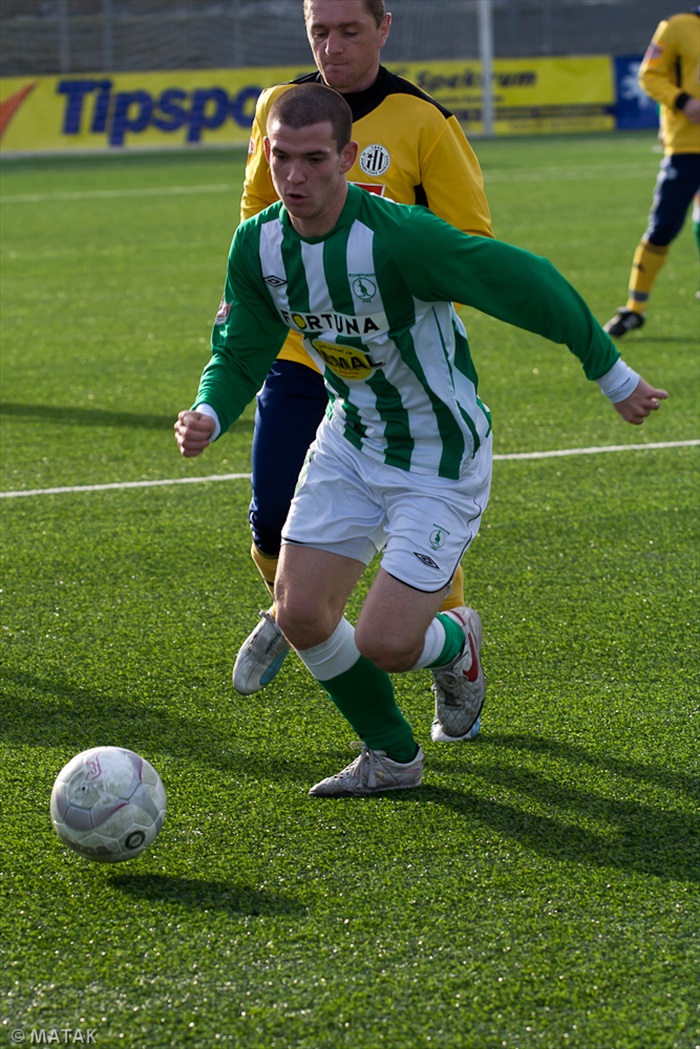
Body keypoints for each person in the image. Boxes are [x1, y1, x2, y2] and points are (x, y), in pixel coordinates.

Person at [174, 84, 668, 797]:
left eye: (314, 159)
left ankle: (457, 641)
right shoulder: (260, 244)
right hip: (350, 437)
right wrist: (210, 411)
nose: (295, 177)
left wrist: (612, 372)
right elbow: (242, 346)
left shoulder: (400, 239)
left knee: (386, 643)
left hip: (439, 456)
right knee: (302, 612)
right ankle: (392, 756)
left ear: (347, 157)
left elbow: (526, 279)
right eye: (281, 158)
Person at [232, 0, 494, 699]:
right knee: (268, 525)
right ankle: (300, 612)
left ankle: (448, 647)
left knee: (414, 531)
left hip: (393, 364)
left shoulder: (424, 122)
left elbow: (469, 242)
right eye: (320, 30)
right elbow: (257, 212)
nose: (332, 45)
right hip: (300, 347)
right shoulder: (278, 108)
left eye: (350, 30)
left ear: (384, 27)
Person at [604, 4, 700, 337]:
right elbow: (649, 74)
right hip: (687, 147)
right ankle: (634, 309)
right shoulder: (677, 27)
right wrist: (683, 101)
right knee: (663, 227)